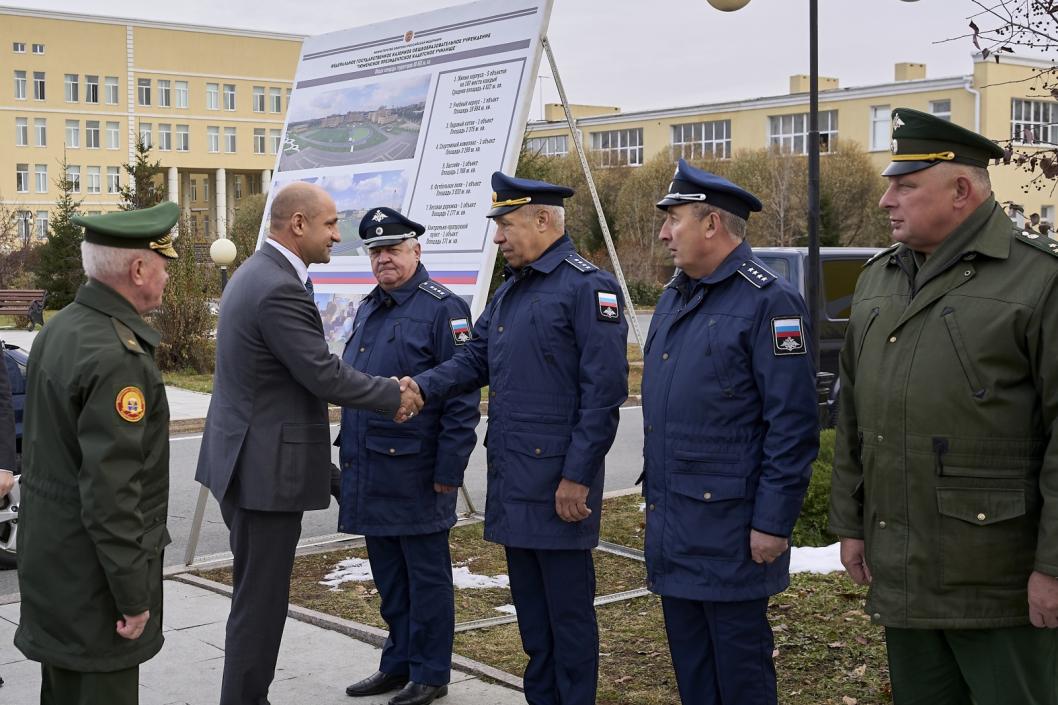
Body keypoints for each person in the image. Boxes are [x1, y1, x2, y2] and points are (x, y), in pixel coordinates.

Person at [829, 107, 1058, 704]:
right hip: (905, 571)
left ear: (961, 189)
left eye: (904, 186)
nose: (886, 201)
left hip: (999, 581)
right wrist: (850, 525)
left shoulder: (1038, 281)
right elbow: (853, 411)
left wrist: (1055, 567)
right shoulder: (880, 278)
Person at [195, 182, 422, 705]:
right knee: (261, 603)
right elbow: (322, 375)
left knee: (257, 596)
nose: (338, 236)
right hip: (264, 475)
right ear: (298, 224)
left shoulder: (254, 273)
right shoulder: (277, 286)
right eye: (330, 225)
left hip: (248, 461)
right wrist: (395, 393)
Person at [406, 172, 628, 705]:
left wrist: (577, 477)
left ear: (544, 220)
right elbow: (474, 359)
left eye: (506, 224)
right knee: (532, 613)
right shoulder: (513, 291)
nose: (499, 237)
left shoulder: (587, 287)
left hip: (558, 486)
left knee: (568, 614)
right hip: (514, 480)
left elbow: (603, 396)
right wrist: (418, 387)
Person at [640, 159, 818, 705]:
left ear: (712, 224)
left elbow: (791, 424)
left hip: (732, 528)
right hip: (677, 522)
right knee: (693, 670)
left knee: (739, 672)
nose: (665, 234)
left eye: (674, 220)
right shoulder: (677, 295)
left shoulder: (770, 301)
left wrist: (773, 522)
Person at [14, 201, 181, 705]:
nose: (167, 278)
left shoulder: (63, 328)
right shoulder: (117, 355)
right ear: (137, 269)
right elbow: (113, 493)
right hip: (95, 584)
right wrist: (133, 596)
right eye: (164, 265)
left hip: (57, 566)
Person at [339, 208, 479, 705]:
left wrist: (449, 469)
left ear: (416, 251)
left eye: (393, 249)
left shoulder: (444, 308)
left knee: (426, 576)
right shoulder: (369, 307)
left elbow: (462, 395)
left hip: (418, 471)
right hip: (372, 467)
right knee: (390, 577)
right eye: (376, 252)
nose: (384, 259)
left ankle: (431, 671)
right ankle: (397, 663)